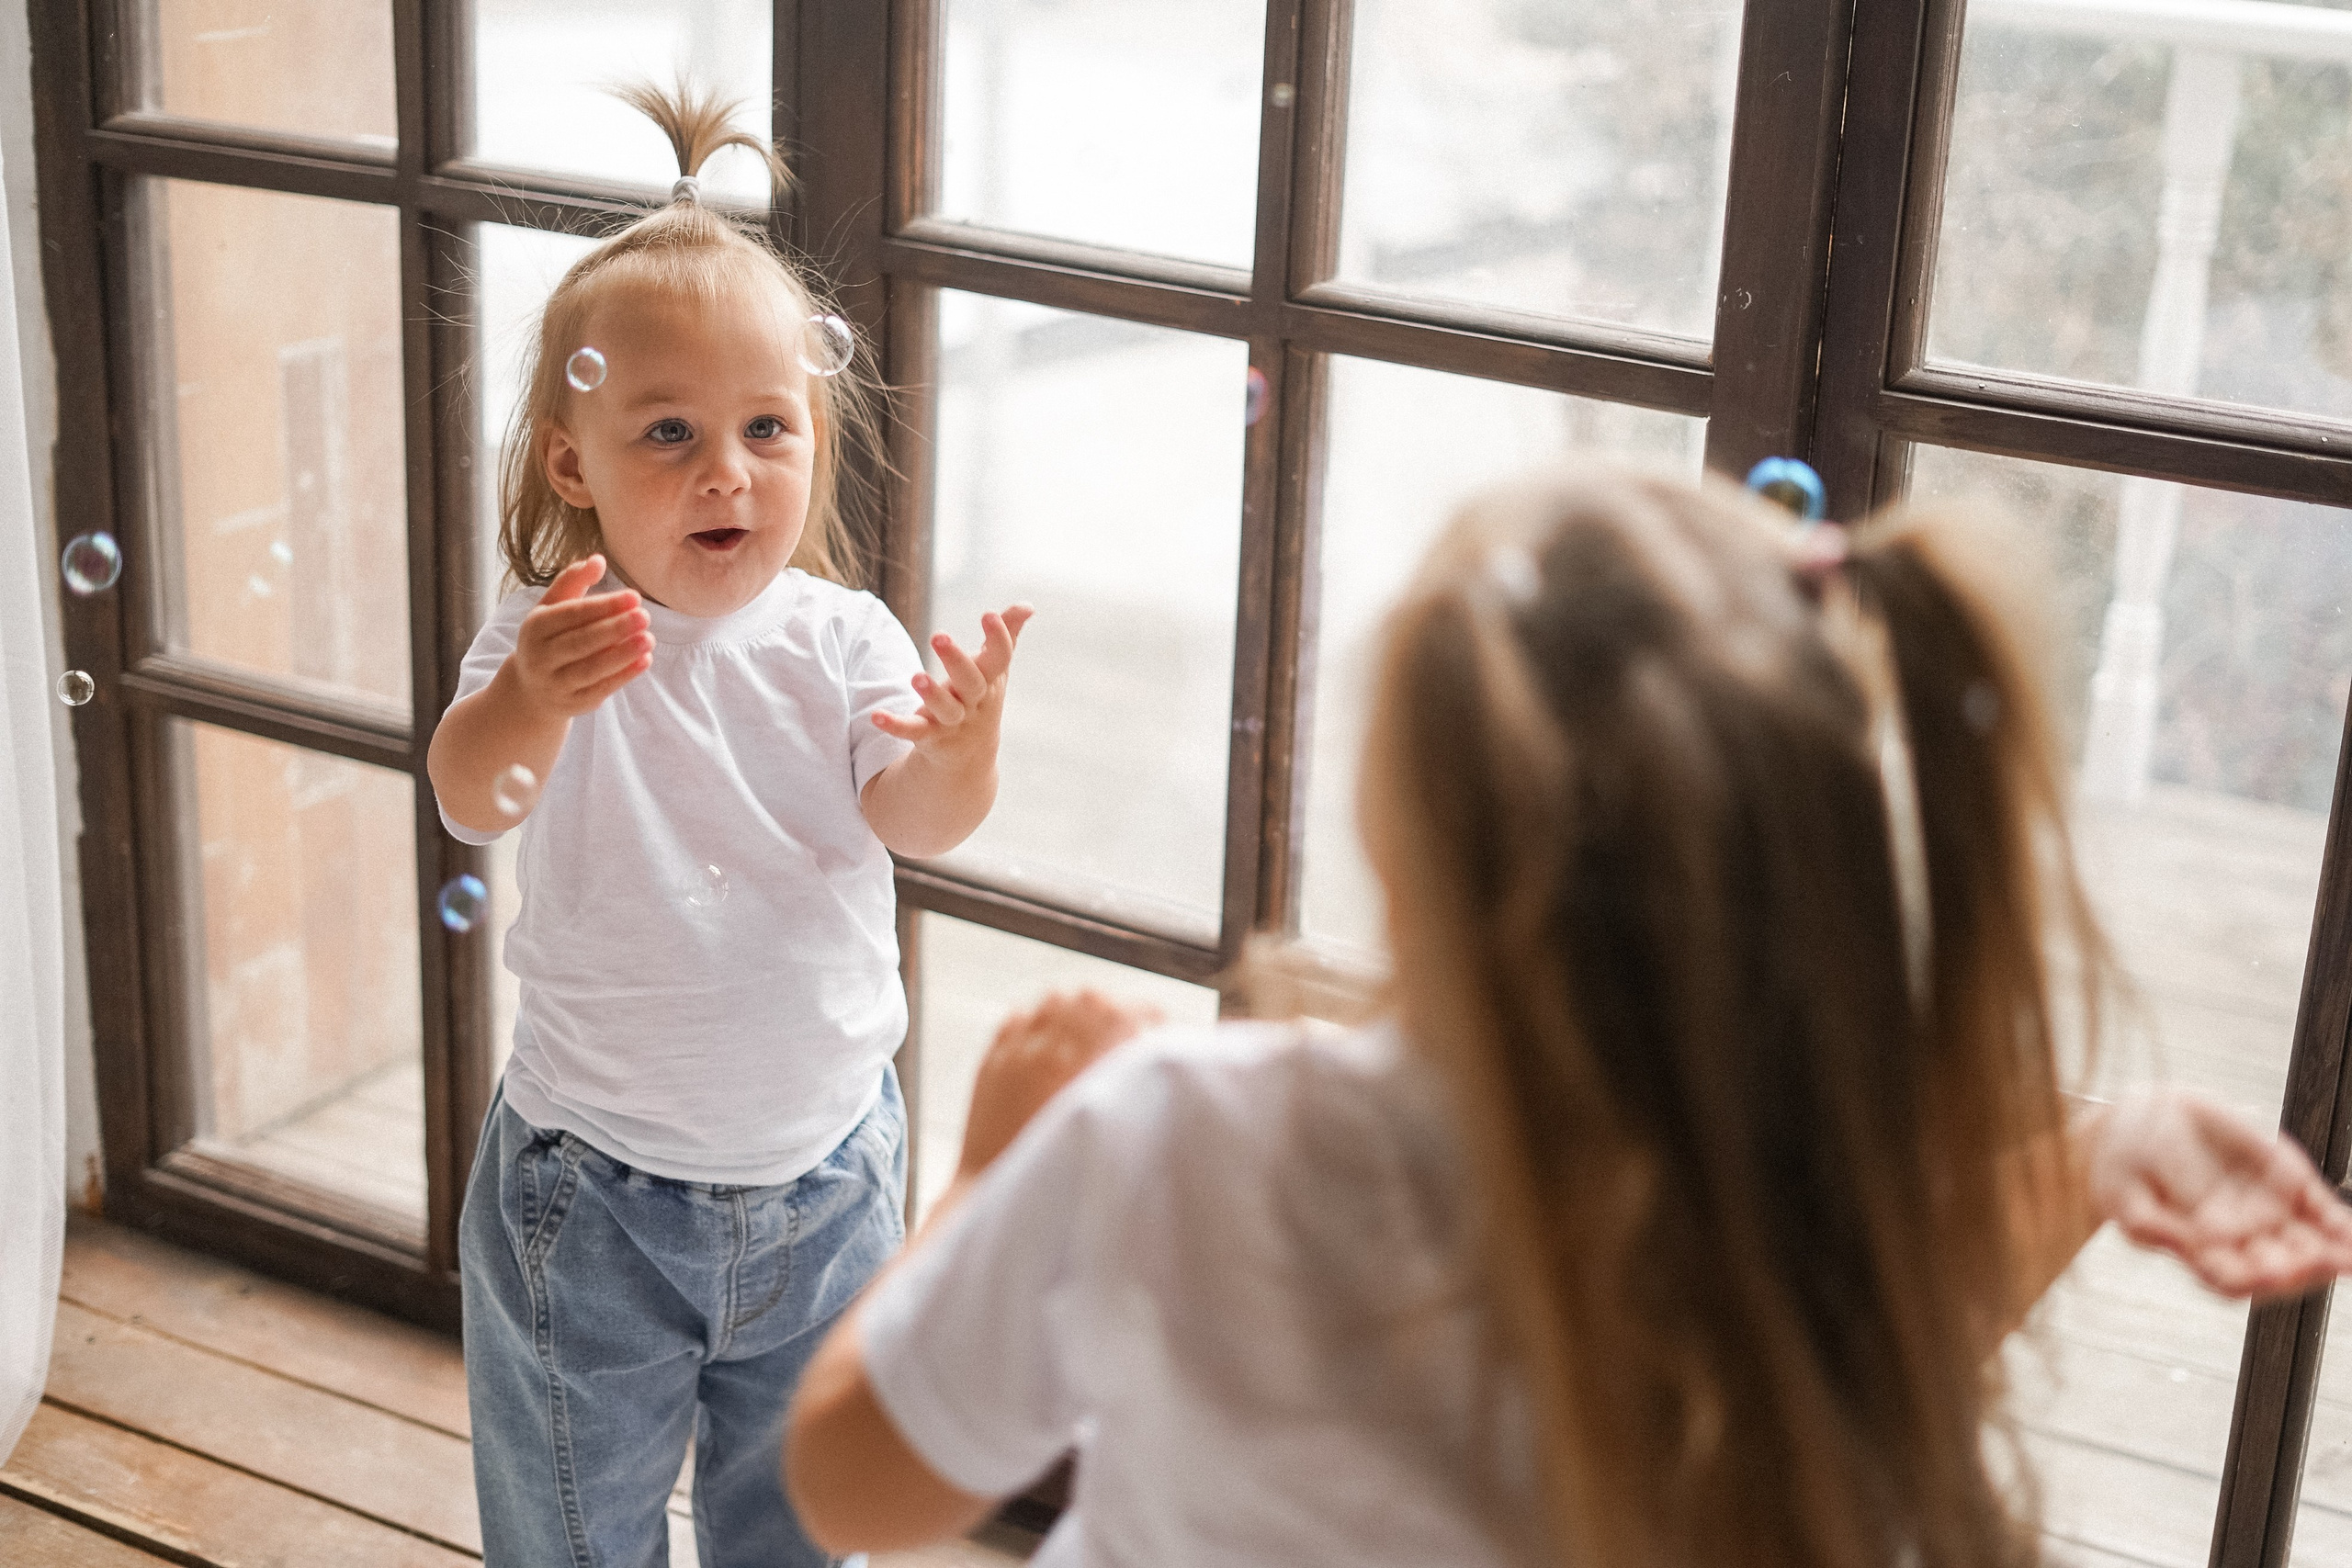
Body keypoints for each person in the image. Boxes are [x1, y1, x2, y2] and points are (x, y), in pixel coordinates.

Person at [782, 469, 2352, 1568]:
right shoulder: (1779, 1218)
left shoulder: (1186, 1133)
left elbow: (862, 1485)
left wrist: (991, 1170)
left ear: (1397, 839)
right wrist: (2091, 1155)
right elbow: (1899, 1333)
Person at [426, 83, 1031, 1568]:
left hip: (827, 1174)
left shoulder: (843, 640)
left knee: (801, 1526)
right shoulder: (553, 629)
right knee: (575, 1525)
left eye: (768, 427)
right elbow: (469, 791)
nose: (727, 471)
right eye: (670, 432)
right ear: (573, 465)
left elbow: (916, 820)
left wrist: (966, 746)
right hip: (592, 1197)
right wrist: (531, 707)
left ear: (815, 433)